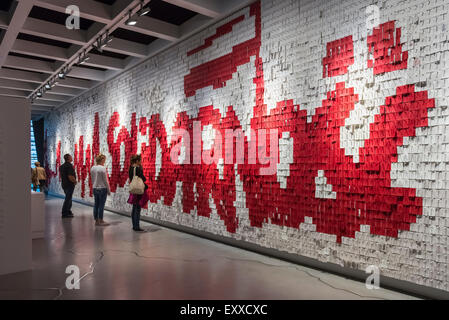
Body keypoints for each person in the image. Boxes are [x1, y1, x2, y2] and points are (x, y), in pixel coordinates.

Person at [127, 154, 149, 232]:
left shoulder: (130, 168)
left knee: (134, 208)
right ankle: (137, 226)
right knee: (137, 208)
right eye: (140, 160)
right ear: (137, 161)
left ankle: (134, 225)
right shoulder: (138, 169)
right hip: (138, 190)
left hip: (133, 189)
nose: (141, 162)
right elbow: (143, 178)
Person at [90, 154, 111, 226]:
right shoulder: (102, 168)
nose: (104, 161)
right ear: (102, 160)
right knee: (101, 205)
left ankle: (96, 220)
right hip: (102, 188)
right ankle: (101, 220)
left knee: (96, 204)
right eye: (104, 160)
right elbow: (105, 181)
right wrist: (108, 190)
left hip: (95, 188)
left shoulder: (92, 168)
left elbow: (92, 179)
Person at [59, 154, 77, 218]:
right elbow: (70, 176)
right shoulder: (69, 166)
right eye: (71, 157)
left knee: (68, 198)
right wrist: (74, 181)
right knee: (68, 198)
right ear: (68, 158)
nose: (72, 158)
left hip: (64, 184)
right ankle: (64, 213)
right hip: (69, 184)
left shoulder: (61, 166)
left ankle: (68, 211)